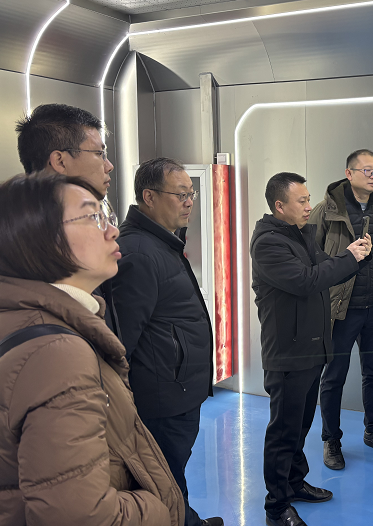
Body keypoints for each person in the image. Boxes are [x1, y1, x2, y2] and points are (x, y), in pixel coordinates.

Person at [0, 173, 183, 526]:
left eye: (106, 215)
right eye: (93, 217)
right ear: (38, 238)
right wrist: (158, 510)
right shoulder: (58, 353)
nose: (112, 231)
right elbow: (79, 515)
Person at [251, 172, 370, 526]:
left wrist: (354, 256)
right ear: (279, 206)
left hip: (312, 349)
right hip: (288, 353)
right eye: (301, 201)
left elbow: (324, 270)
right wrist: (349, 258)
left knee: (300, 426)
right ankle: (277, 507)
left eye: (308, 198)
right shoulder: (268, 244)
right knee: (284, 431)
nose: (308, 205)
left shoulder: (300, 234)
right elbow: (307, 281)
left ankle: (294, 482)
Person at [111, 158, 222, 526]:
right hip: (161, 399)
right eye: (180, 195)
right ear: (149, 197)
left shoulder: (162, 242)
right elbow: (121, 343)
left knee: (172, 477)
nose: (189, 202)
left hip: (178, 391)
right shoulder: (139, 253)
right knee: (163, 482)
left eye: (191, 194)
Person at [0, 103, 116, 342]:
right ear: (60, 161)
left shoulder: (71, 222)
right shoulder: (8, 226)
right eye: (99, 153)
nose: (108, 165)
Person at [309, 149, 373, 470]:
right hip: (341, 309)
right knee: (334, 376)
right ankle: (331, 440)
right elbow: (310, 257)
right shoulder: (326, 210)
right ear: (349, 173)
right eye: (367, 170)